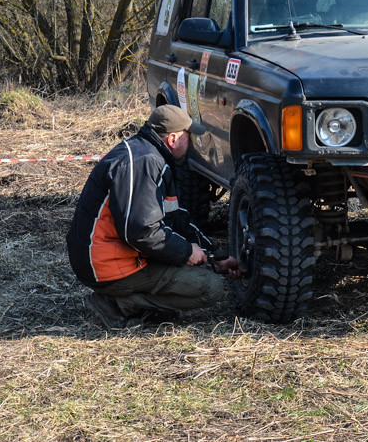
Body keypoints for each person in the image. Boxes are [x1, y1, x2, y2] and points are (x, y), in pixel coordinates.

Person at [66, 104, 242, 329]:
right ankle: (117, 304)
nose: (191, 143)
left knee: (195, 268)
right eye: (188, 137)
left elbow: (175, 218)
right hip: (106, 265)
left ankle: (130, 299)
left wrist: (213, 255)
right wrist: (187, 252)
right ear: (173, 139)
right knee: (210, 287)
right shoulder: (145, 163)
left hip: (107, 257)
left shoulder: (148, 154)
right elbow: (142, 231)